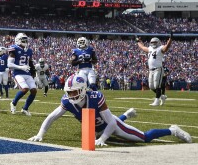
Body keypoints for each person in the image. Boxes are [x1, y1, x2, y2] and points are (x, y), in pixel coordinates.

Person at [28, 75, 192, 145]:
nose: (71, 95)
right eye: (69, 92)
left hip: (111, 124)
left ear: (84, 89)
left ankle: (172, 130)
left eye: (74, 92)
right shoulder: (67, 101)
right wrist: (40, 134)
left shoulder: (95, 97)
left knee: (143, 138)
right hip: (96, 127)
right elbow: (51, 117)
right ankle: (126, 115)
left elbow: (111, 122)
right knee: (95, 131)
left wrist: (103, 139)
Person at [137, 33, 172, 106]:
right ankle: (162, 96)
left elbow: (167, 47)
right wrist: (138, 41)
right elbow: (142, 47)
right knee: (151, 86)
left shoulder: (160, 48)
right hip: (151, 70)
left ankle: (156, 101)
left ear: (158, 42)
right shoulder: (150, 48)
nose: (153, 44)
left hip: (158, 69)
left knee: (157, 85)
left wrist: (170, 40)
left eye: (155, 42)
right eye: (152, 42)